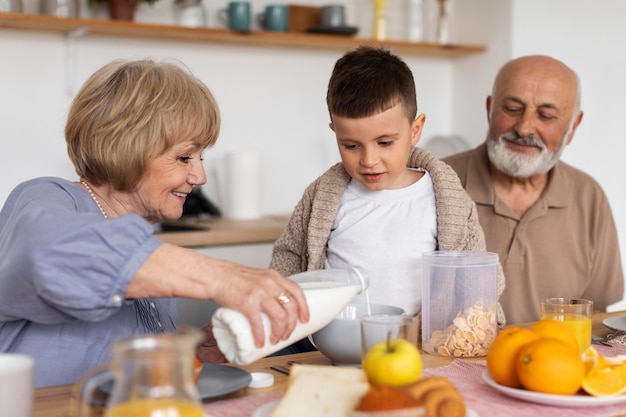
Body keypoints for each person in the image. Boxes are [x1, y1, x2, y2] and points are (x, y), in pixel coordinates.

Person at [0, 59, 309, 388]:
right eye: (184, 157)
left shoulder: (152, 256)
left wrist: (190, 352)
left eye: (200, 157)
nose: (199, 176)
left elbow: (114, 361)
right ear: (126, 147)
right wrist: (221, 278)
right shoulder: (45, 198)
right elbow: (47, 252)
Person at [269, 46, 506, 353]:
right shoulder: (323, 197)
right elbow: (288, 260)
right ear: (335, 132)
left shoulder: (446, 200)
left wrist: (484, 322)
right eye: (351, 145)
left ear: (415, 130)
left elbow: (475, 276)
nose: (369, 160)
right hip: (332, 349)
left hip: (416, 350)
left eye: (384, 143)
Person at [443, 55, 624, 324]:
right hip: (448, 363)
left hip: (553, 363)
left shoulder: (588, 197)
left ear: (574, 126)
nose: (525, 127)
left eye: (546, 115)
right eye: (513, 109)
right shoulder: (439, 183)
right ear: (489, 108)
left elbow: (597, 317)